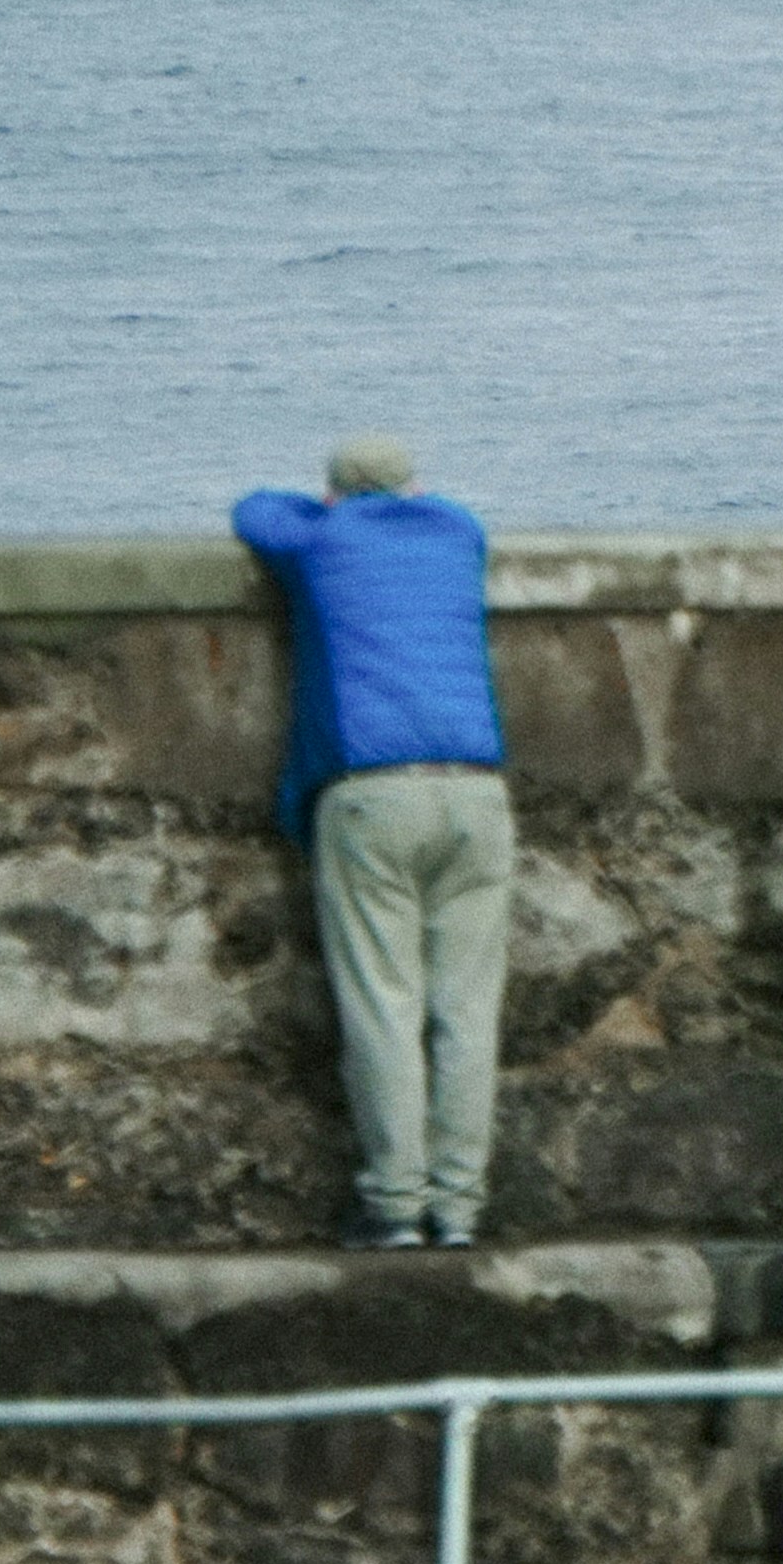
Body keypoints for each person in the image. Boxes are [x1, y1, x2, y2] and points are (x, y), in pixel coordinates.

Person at [234, 437, 512, 1249]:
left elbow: (253, 508)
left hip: (373, 793)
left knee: (384, 1008)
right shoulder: (457, 530)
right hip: (476, 790)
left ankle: (396, 1207)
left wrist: (328, 507)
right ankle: (460, 1210)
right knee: (467, 1011)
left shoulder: (320, 538)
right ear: (415, 486)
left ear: (336, 494)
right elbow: (425, 512)